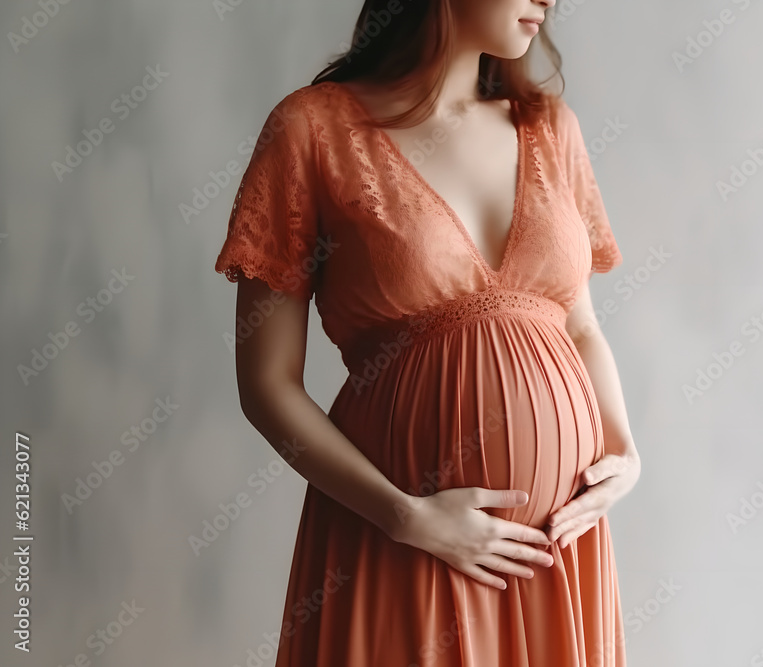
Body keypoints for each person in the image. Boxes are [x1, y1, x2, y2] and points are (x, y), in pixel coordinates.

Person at [214, 0, 641, 664]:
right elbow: (266, 384)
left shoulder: (551, 127)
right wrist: (405, 516)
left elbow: (580, 324)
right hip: (404, 540)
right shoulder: (312, 130)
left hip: (559, 550)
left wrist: (624, 449)